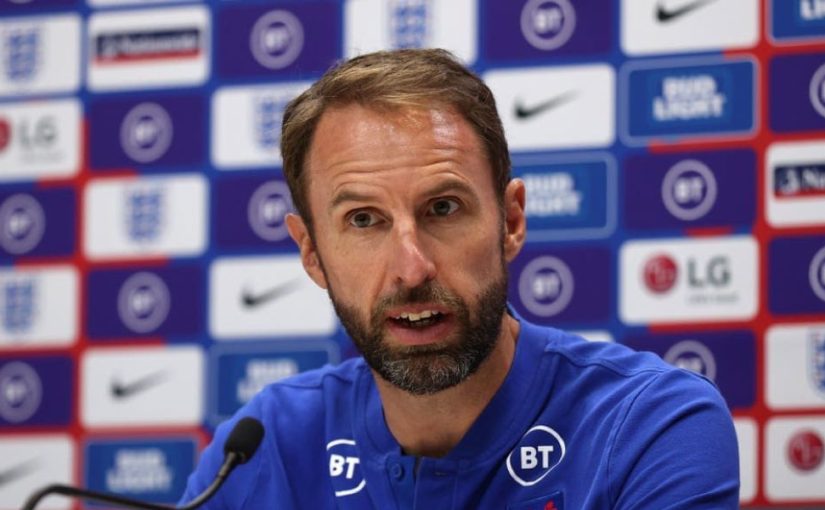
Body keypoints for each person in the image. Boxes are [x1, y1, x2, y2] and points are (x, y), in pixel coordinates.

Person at [181, 48, 739, 509]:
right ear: (311, 252)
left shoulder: (648, 425)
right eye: (364, 220)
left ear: (510, 221)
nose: (411, 268)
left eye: (443, 208)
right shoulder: (263, 447)